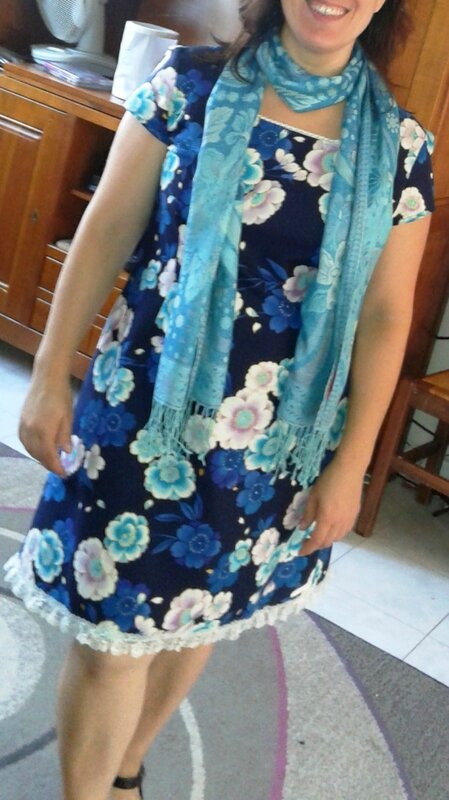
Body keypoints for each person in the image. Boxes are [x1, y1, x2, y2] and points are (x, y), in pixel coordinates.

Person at [4, 0, 434, 798]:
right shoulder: (187, 87)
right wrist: (50, 372)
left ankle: (125, 772)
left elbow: (384, 317)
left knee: (199, 612)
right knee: (109, 636)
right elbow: (105, 229)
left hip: (276, 443)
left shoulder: (401, 150)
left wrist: (350, 467)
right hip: (141, 412)